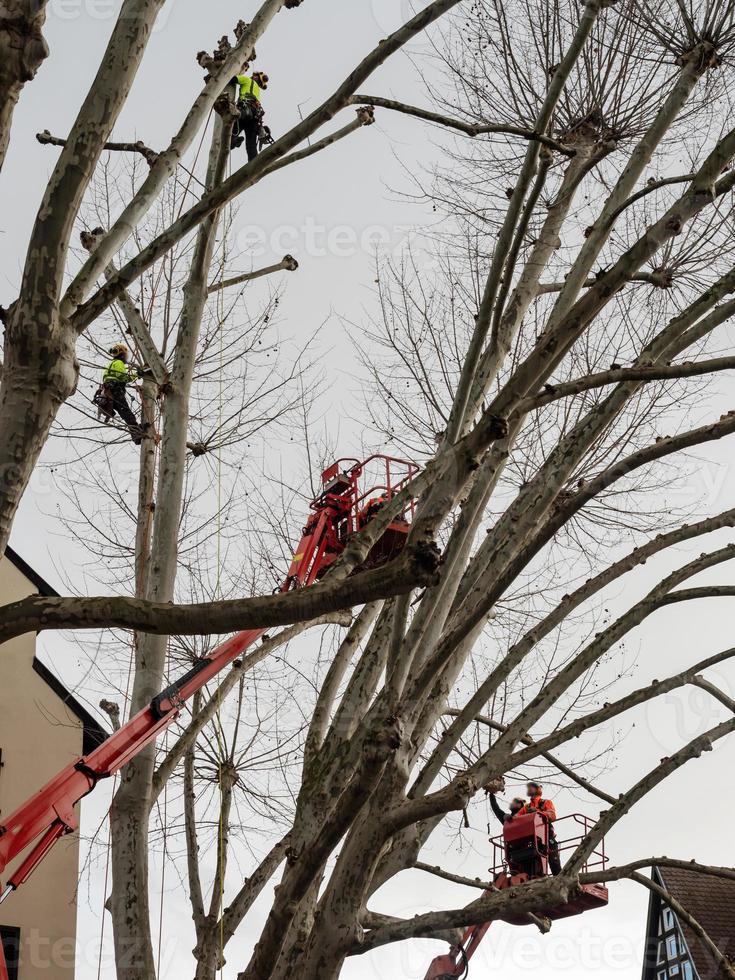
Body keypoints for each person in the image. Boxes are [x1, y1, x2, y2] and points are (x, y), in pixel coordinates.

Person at [100, 344, 144, 444]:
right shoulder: (119, 363)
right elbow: (123, 377)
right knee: (127, 413)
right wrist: (137, 374)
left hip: (109, 394)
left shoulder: (111, 364)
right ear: (122, 355)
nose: (126, 357)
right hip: (115, 392)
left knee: (125, 414)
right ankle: (137, 433)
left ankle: (136, 434)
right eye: (126, 355)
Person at [519, 780, 562, 875]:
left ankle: (559, 878)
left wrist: (538, 811)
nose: (529, 788)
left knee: (554, 861)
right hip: (533, 838)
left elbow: (552, 815)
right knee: (534, 863)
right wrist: (509, 817)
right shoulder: (526, 807)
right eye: (528, 787)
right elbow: (517, 817)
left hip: (547, 836)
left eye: (532, 786)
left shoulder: (545, 802)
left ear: (537, 789)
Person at [230, 70, 269, 160]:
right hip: (255, 116)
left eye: (254, 76)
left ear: (256, 77)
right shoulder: (257, 90)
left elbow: (233, 79)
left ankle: (234, 140)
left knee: (229, 137)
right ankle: (254, 166)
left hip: (245, 111)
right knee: (251, 146)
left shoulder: (247, 80)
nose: (252, 76)